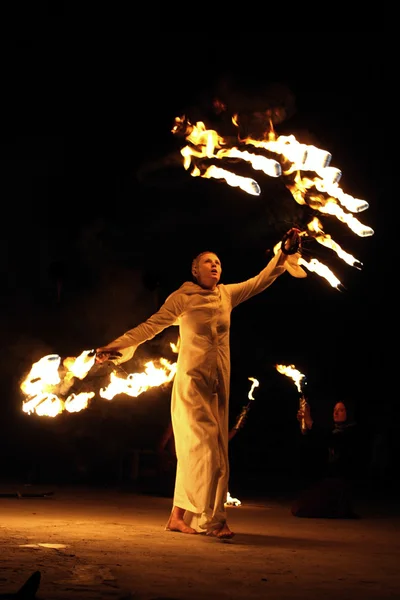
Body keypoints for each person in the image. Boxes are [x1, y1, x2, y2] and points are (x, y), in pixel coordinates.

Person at [96, 228, 306, 538]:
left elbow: (262, 279)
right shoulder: (183, 297)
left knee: (201, 450)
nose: (215, 265)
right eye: (208, 262)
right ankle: (214, 520)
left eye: (218, 262)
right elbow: (151, 326)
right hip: (192, 384)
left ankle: (176, 516)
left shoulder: (227, 295)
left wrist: (284, 254)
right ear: (195, 270)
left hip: (217, 386)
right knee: (210, 451)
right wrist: (117, 347)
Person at [291, 399, 362, 518]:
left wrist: (310, 422)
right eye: (334, 410)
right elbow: (317, 443)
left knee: (309, 508)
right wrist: (304, 426)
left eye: (341, 410)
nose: (336, 413)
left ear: (348, 413)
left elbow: (332, 439)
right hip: (329, 480)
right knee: (299, 506)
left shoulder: (353, 432)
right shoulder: (333, 430)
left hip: (343, 483)